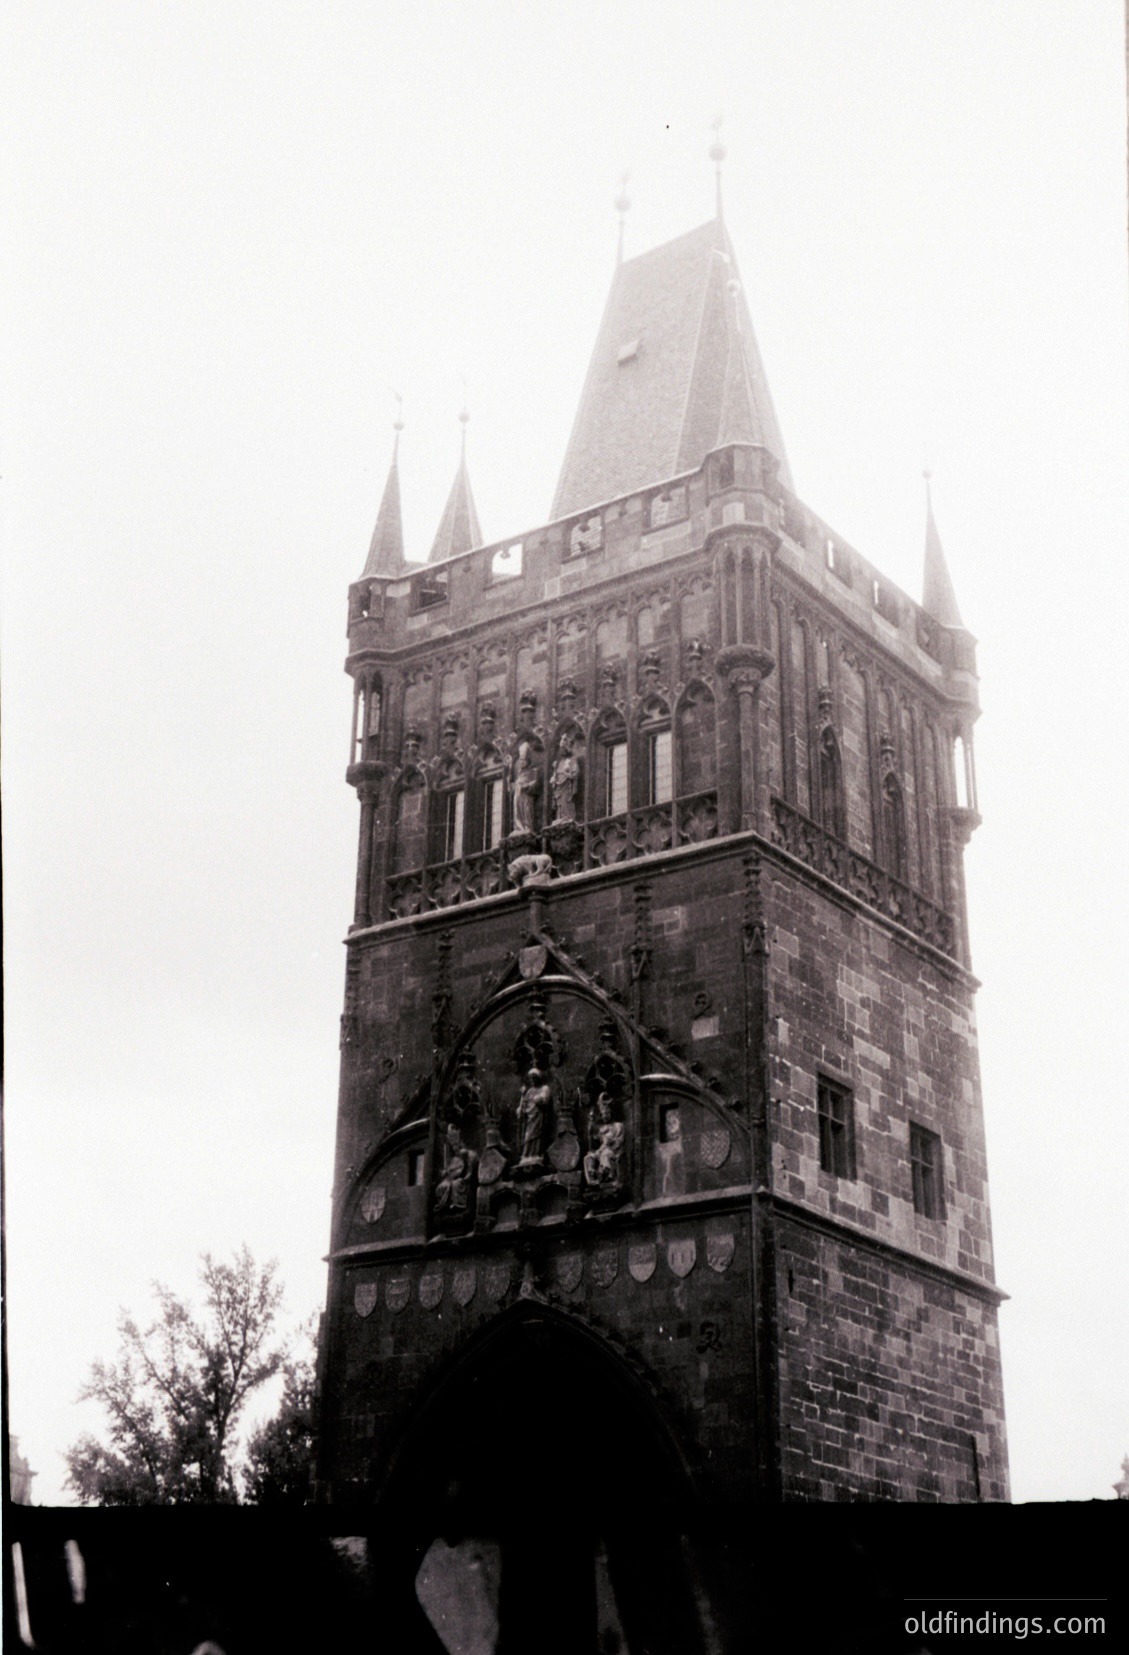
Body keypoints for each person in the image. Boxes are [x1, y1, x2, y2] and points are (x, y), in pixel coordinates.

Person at [515, 1068, 551, 1166]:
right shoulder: (530, 1091)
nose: (532, 1080)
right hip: (529, 1118)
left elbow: (544, 1099)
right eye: (531, 1078)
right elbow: (523, 1104)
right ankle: (526, 1155)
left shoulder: (544, 1088)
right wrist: (522, 1096)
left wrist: (539, 1099)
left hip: (539, 1116)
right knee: (527, 1136)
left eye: (534, 1078)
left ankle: (536, 1154)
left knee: (536, 1136)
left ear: (539, 1078)